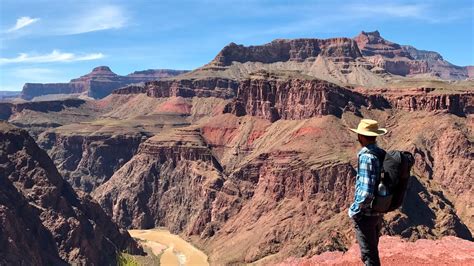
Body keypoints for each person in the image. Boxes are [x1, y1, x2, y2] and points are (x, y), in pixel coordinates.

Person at [348, 119, 387, 266]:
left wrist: (354, 210)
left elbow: (366, 192)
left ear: (362, 136)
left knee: (369, 257)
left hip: (366, 214)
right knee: (372, 251)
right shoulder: (380, 153)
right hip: (378, 211)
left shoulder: (366, 157)